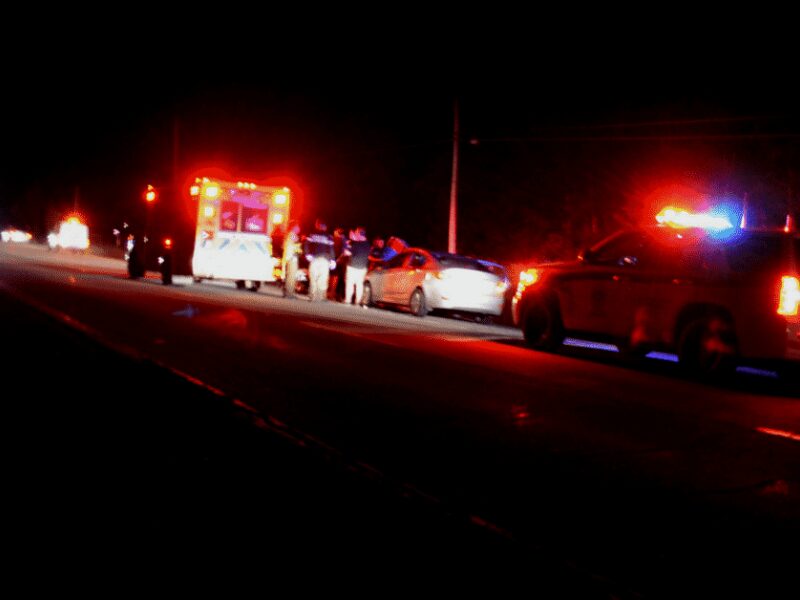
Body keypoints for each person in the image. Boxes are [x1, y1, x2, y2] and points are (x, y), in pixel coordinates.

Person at [303, 219, 335, 302]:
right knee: (323, 279)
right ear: (325, 226)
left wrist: (307, 254)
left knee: (313, 278)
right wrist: (333, 260)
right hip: (325, 260)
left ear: (318, 225)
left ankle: (312, 296)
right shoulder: (329, 236)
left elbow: (306, 244)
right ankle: (321, 297)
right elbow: (331, 249)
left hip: (314, 259)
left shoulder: (312, 234)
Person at [343, 227, 371, 305]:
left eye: (356, 233)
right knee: (359, 285)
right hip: (362, 268)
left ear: (359, 233)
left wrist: (347, 243)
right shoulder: (368, 245)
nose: (355, 234)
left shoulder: (356, 243)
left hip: (352, 266)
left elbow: (346, 253)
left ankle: (348, 300)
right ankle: (358, 301)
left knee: (350, 284)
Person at [281, 221, 302, 298]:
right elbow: (296, 246)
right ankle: (289, 294)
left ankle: (288, 293)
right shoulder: (293, 235)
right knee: (291, 276)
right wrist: (300, 245)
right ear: (294, 227)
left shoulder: (288, 234)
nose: (299, 228)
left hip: (288, 257)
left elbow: (283, 246)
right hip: (292, 257)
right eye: (297, 226)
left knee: (289, 275)